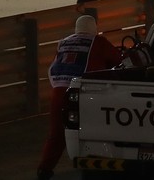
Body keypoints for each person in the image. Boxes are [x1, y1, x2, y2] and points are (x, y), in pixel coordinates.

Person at [37, 15, 122, 180]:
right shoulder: (99, 42)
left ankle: (44, 169)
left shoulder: (63, 42)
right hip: (85, 92)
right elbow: (118, 59)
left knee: (57, 133)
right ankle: (95, 167)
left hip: (59, 91)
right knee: (96, 129)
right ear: (94, 28)